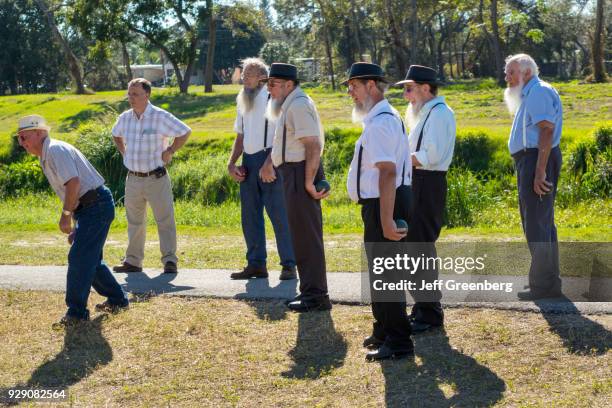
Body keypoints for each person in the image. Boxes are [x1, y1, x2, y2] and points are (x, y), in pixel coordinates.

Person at [17, 114, 129, 327]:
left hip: (95, 205)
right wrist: (77, 218)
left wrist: (66, 216)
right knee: (90, 260)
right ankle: (117, 300)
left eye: (24, 137)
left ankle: (76, 313)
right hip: (89, 207)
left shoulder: (55, 150)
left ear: (40, 133)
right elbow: (74, 189)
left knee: (79, 258)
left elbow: (74, 183)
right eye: (19, 139)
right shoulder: (47, 154)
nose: (22, 143)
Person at [345, 62, 414, 360]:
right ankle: (384, 329)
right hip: (379, 203)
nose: (351, 93)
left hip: (385, 202)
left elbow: (387, 173)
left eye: (354, 87)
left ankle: (398, 341)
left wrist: (386, 219)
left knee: (387, 273)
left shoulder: (382, 121)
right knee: (380, 272)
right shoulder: (378, 119)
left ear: (371, 85)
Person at [259, 63, 331, 312]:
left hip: (301, 172)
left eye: (273, 84)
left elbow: (312, 146)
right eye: (267, 84)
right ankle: (311, 292)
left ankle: (316, 295)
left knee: (306, 236)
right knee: (300, 235)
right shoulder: (290, 104)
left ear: (289, 84)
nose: (269, 89)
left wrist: (309, 182)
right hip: (294, 172)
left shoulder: (298, 104)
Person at [397, 65, 456, 333]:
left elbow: (429, 155)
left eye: (409, 89)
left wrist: (396, 163)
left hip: (427, 182)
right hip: (418, 181)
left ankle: (430, 312)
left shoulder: (440, 114)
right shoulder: (428, 113)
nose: (406, 95)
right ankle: (422, 307)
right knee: (414, 247)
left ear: (425, 88)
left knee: (420, 248)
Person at [111, 78, 191, 274]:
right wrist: (124, 153)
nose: (131, 98)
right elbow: (115, 134)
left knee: (165, 220)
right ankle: (133, 261)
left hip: (156, 178)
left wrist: (170, 150)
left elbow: (185, 132)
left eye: (136, 94)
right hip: (133, 179)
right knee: (135, 222)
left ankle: (170, 260)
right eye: (129, 94)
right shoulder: (125, 118)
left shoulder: (160, 116)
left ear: (147, 95)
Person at [227, 58, 297, 280]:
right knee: (249, 216)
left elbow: (281, 134)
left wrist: (270, 162)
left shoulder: (271, 97)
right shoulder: (242, 100)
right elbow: (240, 135)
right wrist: (231, 163)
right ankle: (256, 264)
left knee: (279, 215)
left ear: (262, 77)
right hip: (248, 161)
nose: (244, 77)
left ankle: (289, 264)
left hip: (270, 160)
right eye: (244, 74)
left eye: (250, 73)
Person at [504, 54, 563, 300]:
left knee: (537, 222)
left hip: (537, 159)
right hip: (532, 159)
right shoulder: (530, 93)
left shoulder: (538, 91)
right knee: (539, 221)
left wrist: (539, 171)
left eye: (510, 72)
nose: (506, 78)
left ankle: (544, 286)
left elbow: (546, 131)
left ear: (526, 72)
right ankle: (545, 282)